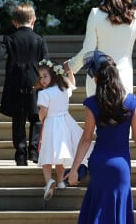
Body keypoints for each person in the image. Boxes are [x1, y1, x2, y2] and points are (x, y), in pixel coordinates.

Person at [65, 50, 136, 223]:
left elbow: (86, 139)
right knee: (118, 209)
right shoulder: (132, 102)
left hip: (99, 162)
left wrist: (73, 170)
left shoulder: (92, 103)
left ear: (96, 79)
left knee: (98, 208)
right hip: (121, 165)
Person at [0, 3, 49, 166]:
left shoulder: (10, 39)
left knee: (18, 119)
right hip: (36, 83)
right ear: (33, 20)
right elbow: (46, 63)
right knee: (36, 117)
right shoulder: (40, 40)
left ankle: (20, 154)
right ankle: (34, 151)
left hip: (15, 83)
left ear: (14, 22)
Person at [36, 59, 91, 201]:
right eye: (40, 77)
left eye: (45, 76)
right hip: (65, 123)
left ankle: (49, 181)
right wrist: (69, 72)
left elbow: (43, 110)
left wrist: (42, 119)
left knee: (48, 152)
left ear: (53, 76)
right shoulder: (64, 87)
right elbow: (72, 83)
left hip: (51, 123)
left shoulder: (44, 94)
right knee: (59, 153)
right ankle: (60, 181)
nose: (42, 80)